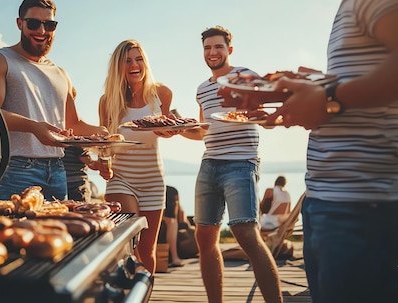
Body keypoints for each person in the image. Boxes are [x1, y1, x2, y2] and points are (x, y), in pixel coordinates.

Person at [222, 0, 398, 302]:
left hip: (359, 202)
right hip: (333, 199)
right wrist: (286, 89)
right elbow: (366, 83)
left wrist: (329, 98)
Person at [179, 26, 283, 303]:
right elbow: (203, 130)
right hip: (209, 163)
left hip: (240, 163)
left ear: (229, 50)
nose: (212, 53)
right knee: (204, 237)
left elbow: (264, 115)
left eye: (218, 47)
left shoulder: (245, 76)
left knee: (246, 234)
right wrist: (177, 129)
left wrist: (256, 114)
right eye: (207, 48)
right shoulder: (202, 89)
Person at [0, 0, 108, 202]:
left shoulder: (60, 73)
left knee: (58, 233)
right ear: (19, 23)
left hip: (58, 169)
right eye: (33, 23)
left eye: (49, 24)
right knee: (17, 234)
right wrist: (33, 127)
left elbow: (72, 124)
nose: (41, 31)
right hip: (17, 169)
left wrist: (104, 134)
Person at [98, 39, 177, 275]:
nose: (135, 65)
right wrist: (102, 163)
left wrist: (168, 131)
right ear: (118, 67)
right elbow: (106, 145)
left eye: (139, 59)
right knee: (129, 246)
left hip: (153, 181)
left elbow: (169, 127)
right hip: (121, 179)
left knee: (147, 251)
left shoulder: (162, 94)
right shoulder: (107, 102)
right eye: (128, 60)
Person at [163, 186, 185, 267]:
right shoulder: (171, 191)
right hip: (169, 221)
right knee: (172, 221)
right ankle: (175, 257)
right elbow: (180, 215)